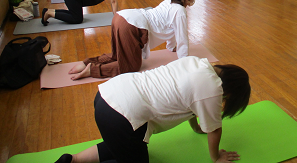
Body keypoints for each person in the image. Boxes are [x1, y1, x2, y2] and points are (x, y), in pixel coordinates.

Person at [54, 56, 251, 163]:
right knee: (127, 146)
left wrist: (196, 127)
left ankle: (72, 160)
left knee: (121, 146)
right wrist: (217, 158)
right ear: (231, 92)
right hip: (123, 117)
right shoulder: (213, 89)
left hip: (106, 96)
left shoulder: (197, 62)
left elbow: (190, 101)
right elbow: (215, 129)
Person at [68, 0, 196, 80]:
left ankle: (86, 63)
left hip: (121, 17)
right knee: (131, 65)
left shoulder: (169, 2)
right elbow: (182, 36)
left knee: (118, 55)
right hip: (132, 25)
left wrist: (171, 47)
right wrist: (184, 62)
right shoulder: (180, 11)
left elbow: (172, 28)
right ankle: (92, 70)